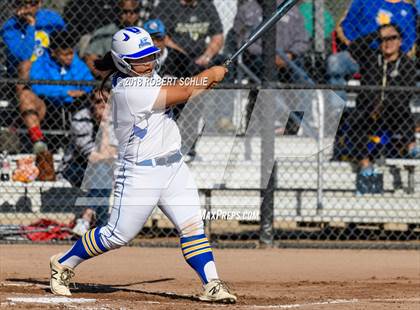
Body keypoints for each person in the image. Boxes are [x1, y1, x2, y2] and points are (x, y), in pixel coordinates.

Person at [49, 26, 237, 303]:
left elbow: (183, 86)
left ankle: (212, 283)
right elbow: (185, 90)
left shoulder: (146, 75)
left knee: (192, 226)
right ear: (123, 62)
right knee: (117, 235)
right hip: (141, 172)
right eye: (141, 59)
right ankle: (63, 262)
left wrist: (204, 79)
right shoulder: (129, 89)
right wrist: (210, 76)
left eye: (150, 55)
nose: (148, 62)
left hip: (173, 168)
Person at [346, 24, 418, 193]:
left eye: (392, 38)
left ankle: (411, 148)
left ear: (400, 41)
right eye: (383, 39)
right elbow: (354, 47)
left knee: (405, 115)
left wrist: (383, 105)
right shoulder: (371, 58)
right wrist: (376, 34)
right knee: (355, 120)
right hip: (369, 110)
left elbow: (404, 97)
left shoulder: (406, 64)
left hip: (393, 111)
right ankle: (365, 166)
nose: (388, 43)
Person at [21, 30, 93, 157]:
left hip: (73, 106)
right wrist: (64, 92)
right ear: (54, 53)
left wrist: (82, 92)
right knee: (26, 95)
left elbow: (89, 83)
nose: (70, 57)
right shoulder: (41, 62)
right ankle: (38, 141)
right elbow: (37, 87)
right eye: (65, 55)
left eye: (71, 53)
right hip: (48, 104)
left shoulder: (77, 63)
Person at [143, 18, 200, 161]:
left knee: (195, 103)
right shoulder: (138, 61)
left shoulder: (179, 59)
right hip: (150, 107)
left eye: (159, 38)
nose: (155, 42)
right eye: (150, 38)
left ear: (165, 39)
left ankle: (187, 147)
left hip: (177, 106)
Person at [327, 0, 417, 90]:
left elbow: (409, 41)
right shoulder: (363, 2)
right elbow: (346, 26)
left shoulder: (408, 9)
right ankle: (337, 103)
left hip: (392, 59)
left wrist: (396, 58)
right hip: (362, 55)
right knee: (335, 62)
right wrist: (354, 48)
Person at [61, 88, 116, 227]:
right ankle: (101, 225)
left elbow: (110, 153)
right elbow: (92, 157)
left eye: (107, 101)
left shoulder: (116, 119)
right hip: (75, 168)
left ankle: (87, 217)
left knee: (103, 170)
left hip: (105, 169)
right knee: (103, 170)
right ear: (91, 103)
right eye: (98, 101)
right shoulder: (80, 118)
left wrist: (104, 126)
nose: (103, 105)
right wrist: (104, 126)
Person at [233, 0, 310, 82]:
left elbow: (302, 40)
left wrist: (290, 54)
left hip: (288, 57)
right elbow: (242, 40)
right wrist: (269, 55)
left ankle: (302, 93)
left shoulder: (292, 10)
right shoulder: (245, 10)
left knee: (298, 66)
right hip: (259, 57)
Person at [152, 0, 224, 70]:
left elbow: (218, 36)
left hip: (200, 56)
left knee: (223, 60)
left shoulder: (206, 5)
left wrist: (207, 56)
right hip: (175, 57)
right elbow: (160, 37)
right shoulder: (167, 4)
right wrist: (183, 56)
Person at [0, 0, 65, 78]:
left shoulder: (52, 19)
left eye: (33, 2)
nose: (27, 6)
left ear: (40, 3)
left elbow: (66, 44)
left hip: (51, 70)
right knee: (26, 66)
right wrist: (31, 25)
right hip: (24, 76)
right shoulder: (10, 27)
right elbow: (23, 57)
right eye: (22, 2)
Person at [84, 0, 142, 78]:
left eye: (133, 12)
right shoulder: (104, 33)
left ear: (138, 14)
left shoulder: (143, 33)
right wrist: (105, 77)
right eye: (125, 12)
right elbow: (90, 58)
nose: (129, 15)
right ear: (118, 12)